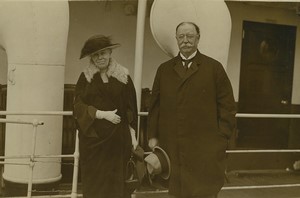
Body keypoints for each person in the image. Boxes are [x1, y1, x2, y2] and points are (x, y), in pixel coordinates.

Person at [147, 22, 237, 198]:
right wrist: (153, 137)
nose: (185, 40)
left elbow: (227, 108)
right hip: (173, 149)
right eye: (181, 36)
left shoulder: (214, 68)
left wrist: (220, 141)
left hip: (205, 151)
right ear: (176, 39)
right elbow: (154, 108)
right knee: (178, 193)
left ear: (198, 38)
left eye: (190, 36)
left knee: (204, 193)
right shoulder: (164, 70)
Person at [73, 35, 138, 198]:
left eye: (103, 53)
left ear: (110, 52)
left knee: (117, 185)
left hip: (118, 140)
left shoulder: (123, 77)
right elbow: (77, 107)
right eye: (95, 55)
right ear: (91, 58)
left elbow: (131, 109)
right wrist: (100, 114)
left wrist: (133, 134)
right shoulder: (85, 78)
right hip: (93, 141)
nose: (100, 58)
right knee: (95, 185)